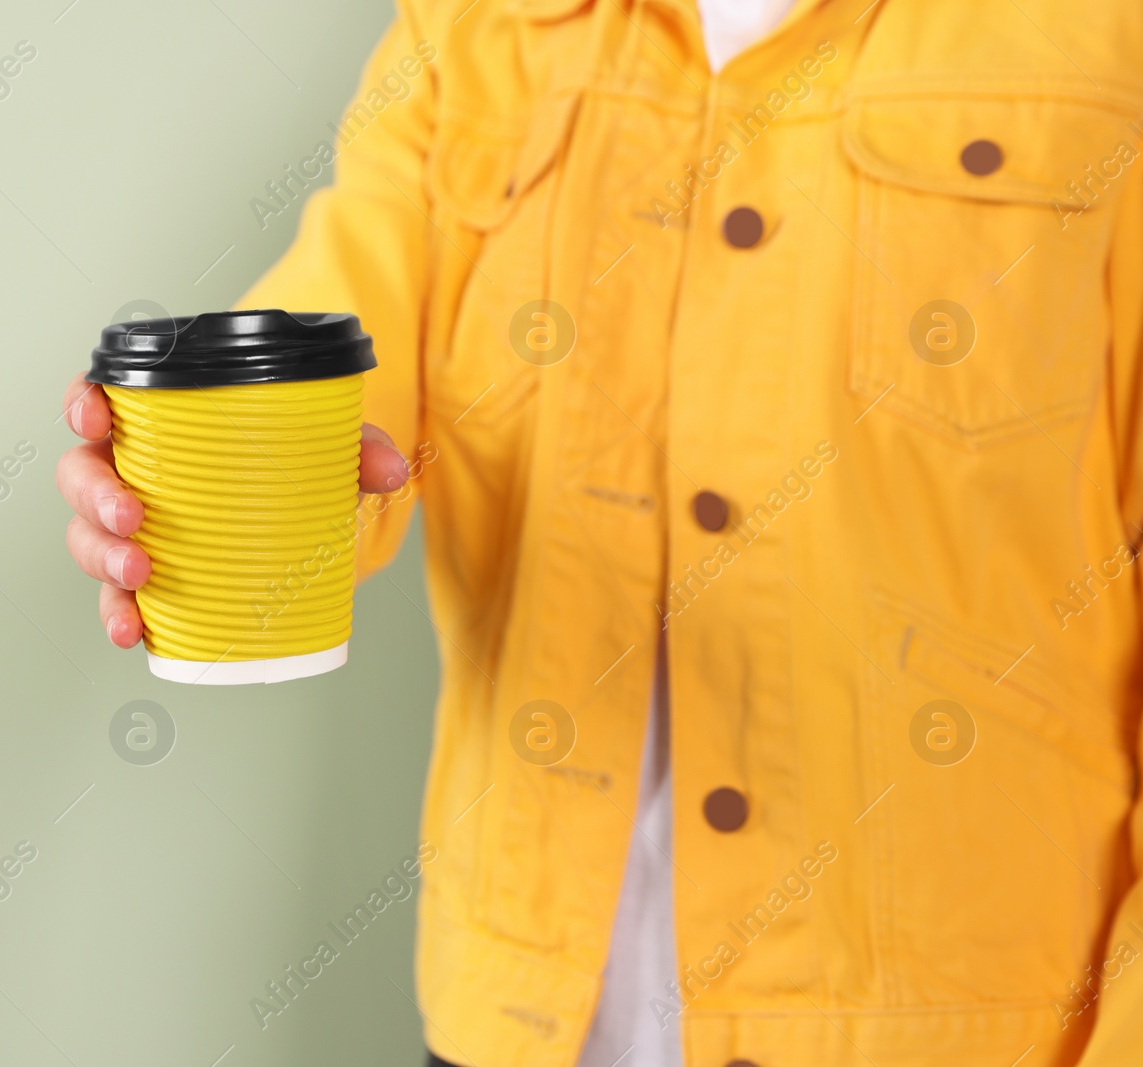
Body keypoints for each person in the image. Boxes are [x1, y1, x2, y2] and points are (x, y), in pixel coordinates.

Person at [59, 0, 1143, 1063]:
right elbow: (340, 371)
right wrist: (191, 493)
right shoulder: (468, 32)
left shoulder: (1102, 39)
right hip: (521, 1019)